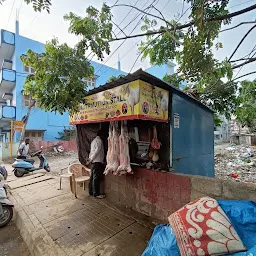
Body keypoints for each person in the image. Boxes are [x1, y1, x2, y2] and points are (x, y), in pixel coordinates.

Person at [87, 130, 106, 199]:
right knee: (96, 178)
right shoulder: (99, 141)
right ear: (101, 135)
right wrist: (91, 159)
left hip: (94, 162)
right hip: (97, 162)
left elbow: (91, 151)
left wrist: (90, 159)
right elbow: (96, 151)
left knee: (92, 177)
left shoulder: (93, 141)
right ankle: (96, 194)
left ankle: (91, 191)